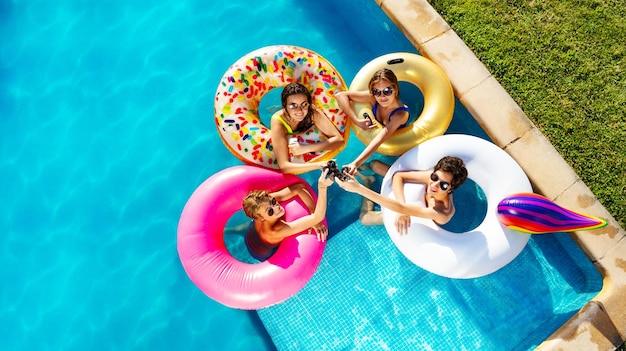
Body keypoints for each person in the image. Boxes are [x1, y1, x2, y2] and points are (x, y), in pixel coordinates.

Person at [335, 156, 468, 234]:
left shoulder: (441, 212)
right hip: (408, 201)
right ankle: (356, 170)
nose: (434, 185)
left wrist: (359, 189)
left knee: (365, 218)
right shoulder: (434, 179)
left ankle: (368, 182)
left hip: (418, 217)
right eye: (434, 177)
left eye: (443, 185)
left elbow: (401, 209)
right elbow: (399, 176)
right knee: (375, 164)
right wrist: (403, 206)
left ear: (451, 189)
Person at [242, 169, 333, 261]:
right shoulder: (275, 230)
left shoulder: (263, 204)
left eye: (273, 201)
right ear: (261, 218)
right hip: (263, 252)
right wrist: (322, 188)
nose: (276, 207)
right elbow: (318, 217)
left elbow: (299, 187)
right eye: (270, 211)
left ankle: (236, 229)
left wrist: (312, 211)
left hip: (253, 230)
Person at [336, 68, 409, 176]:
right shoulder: (373, 98)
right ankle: (365, 170)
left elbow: (379, 138)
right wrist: (356, 121)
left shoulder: (400, 114)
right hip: (380, 146)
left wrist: (355, 163)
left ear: (395, 90)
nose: (382, 96)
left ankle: (364, 170)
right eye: (377, 92)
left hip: (399, 146)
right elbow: (340, 96)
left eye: (387, 91)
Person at [270, 82, 344, 174]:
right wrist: (320, 165)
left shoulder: (312, 112)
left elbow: (339, 140)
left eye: (304, 104)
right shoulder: (278, 121)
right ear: (285, 106)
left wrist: (306, 148)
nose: (300, 111)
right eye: (293, 105)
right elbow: (284, 167)